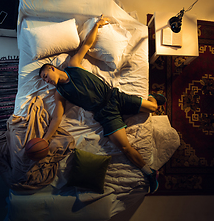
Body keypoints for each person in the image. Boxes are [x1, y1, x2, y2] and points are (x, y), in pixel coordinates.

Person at [39, 15, 165, 194]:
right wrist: (46, 139)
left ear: (52, 68)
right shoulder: (60, 94)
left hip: (114, 97)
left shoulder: (73, 64)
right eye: (44, 81)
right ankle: (150, 173)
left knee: (153, 108)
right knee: (124, 147)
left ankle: (152, 98)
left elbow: (86, 45)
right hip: (104, 114)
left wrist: (96, 25)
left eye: (45, 76)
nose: (46, 81)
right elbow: (57, 118)